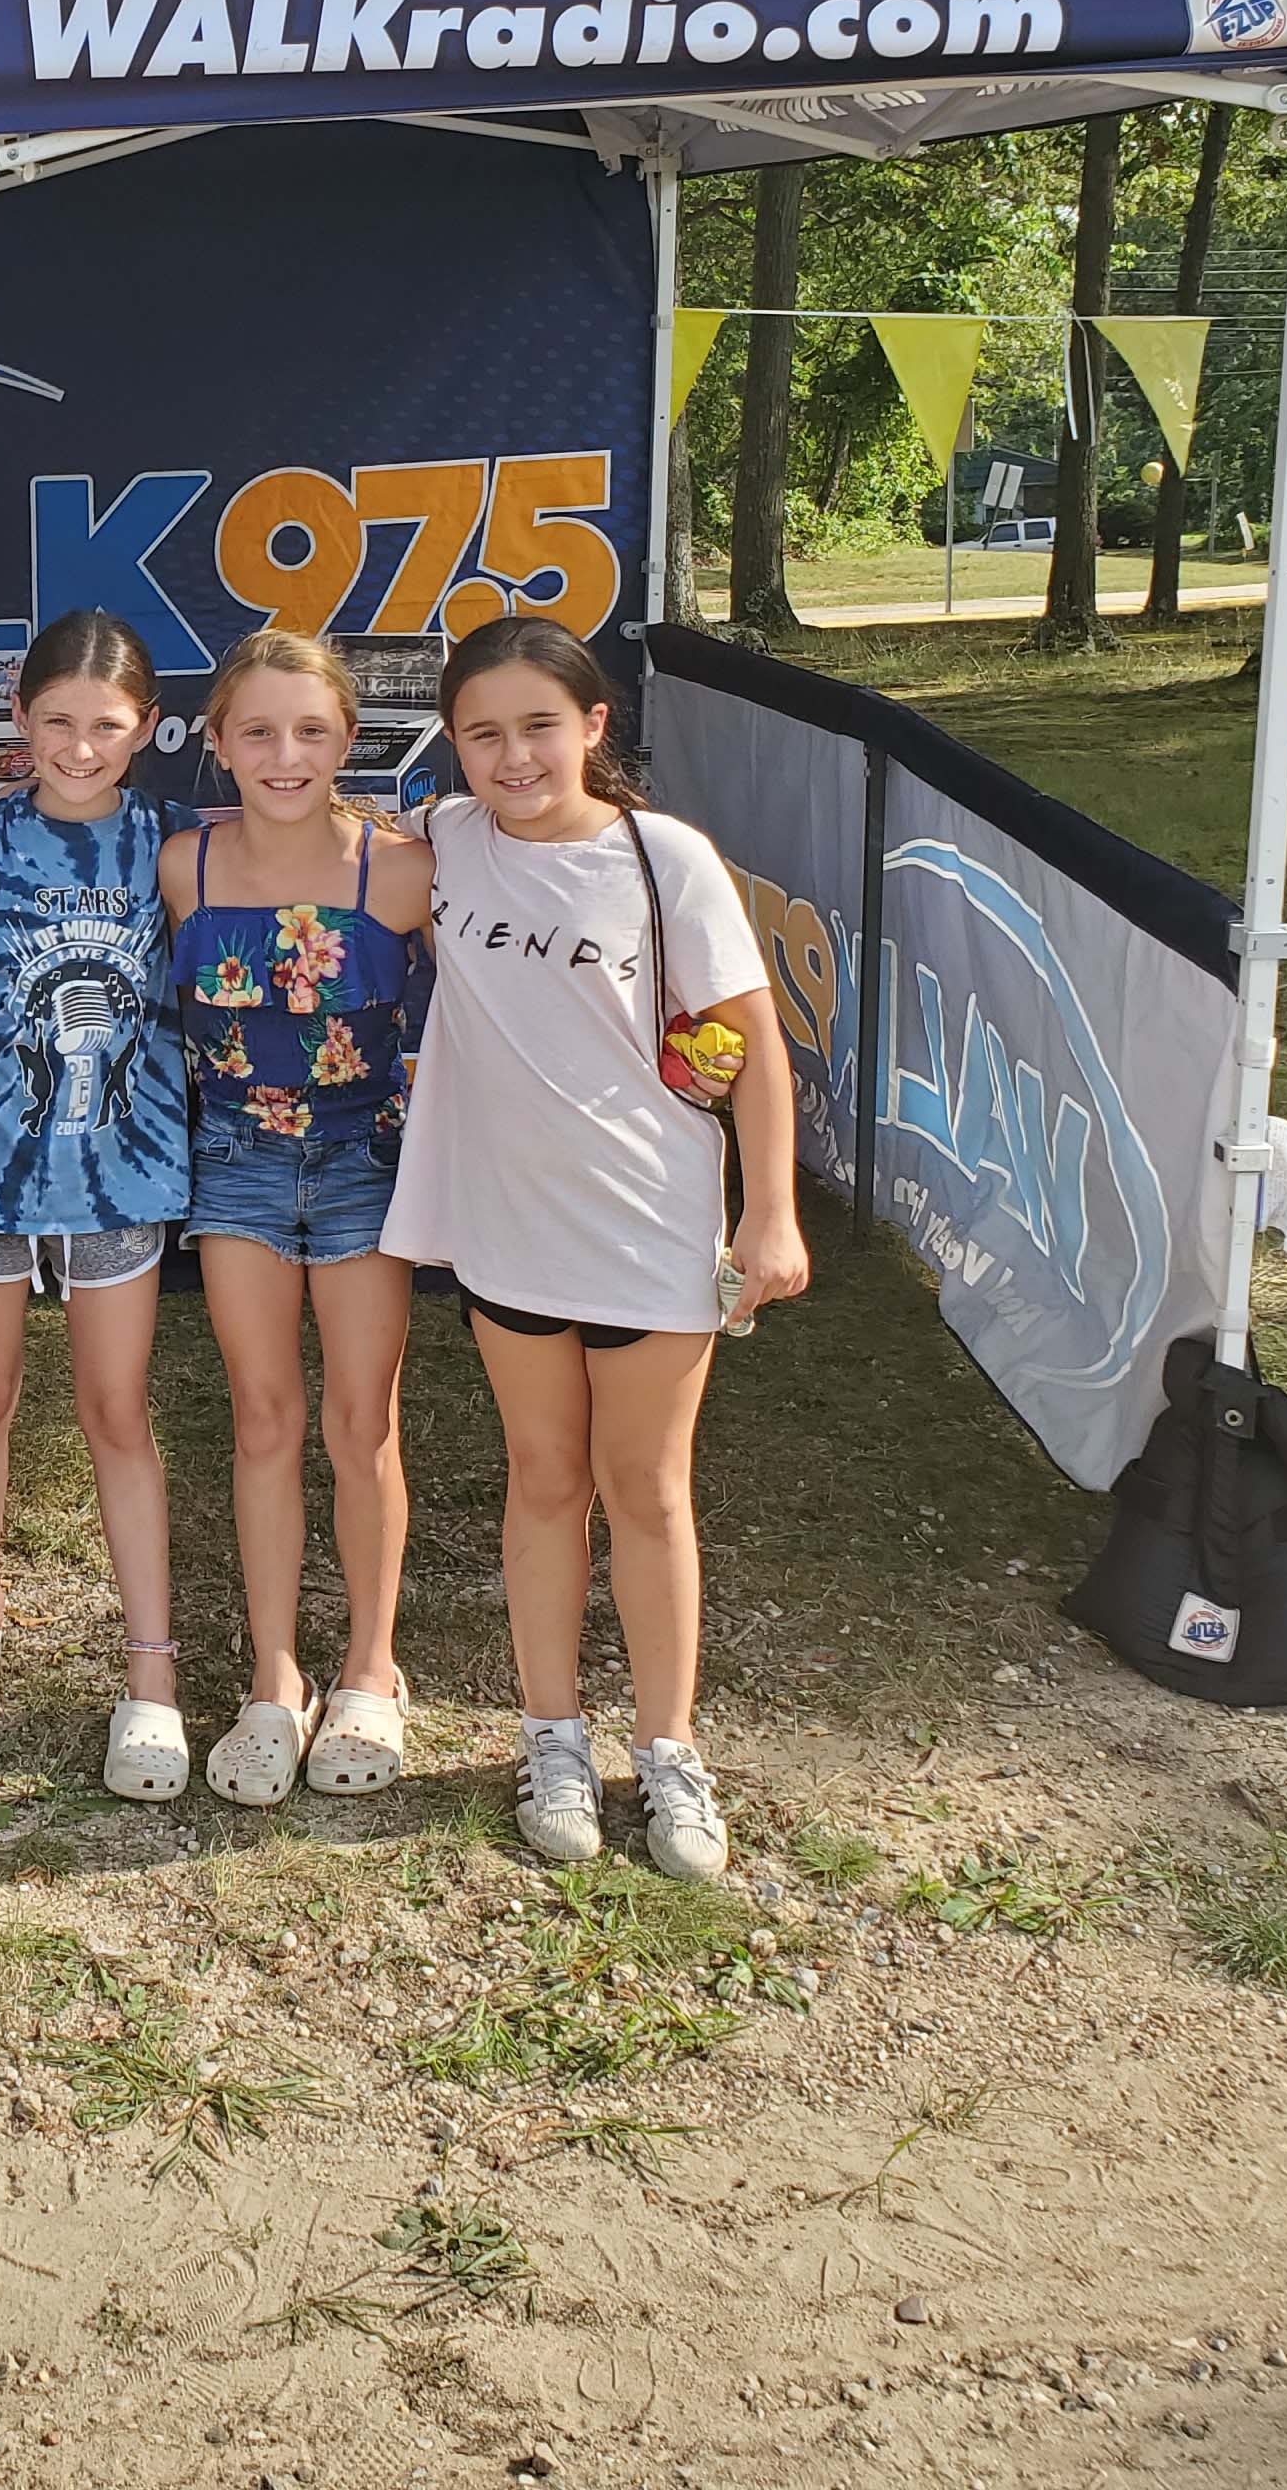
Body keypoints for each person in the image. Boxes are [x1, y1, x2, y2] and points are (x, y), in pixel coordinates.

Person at [385, 616, 808, 1883]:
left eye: (538, 726)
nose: (513, 757)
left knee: (650, 1491)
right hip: (510, 1237)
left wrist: (770, 1214)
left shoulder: (663, 859)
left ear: (594, 727)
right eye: (483, 734)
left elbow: (758, 1050)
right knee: (543, 1481)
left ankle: (669, 1751)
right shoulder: (446, 842)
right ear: (452, 748)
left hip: (651, 1232)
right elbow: (320, 858)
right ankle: (552, 1737)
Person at [161, 629, 432, 1810]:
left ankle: (371, 1664)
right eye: (257, 731)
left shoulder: (406, 870)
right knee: (264, 1419)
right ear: (216, 742)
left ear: (348, 741)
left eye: (310, 731)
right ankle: (276, 1677)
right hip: (235, 1163)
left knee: (360, 1421)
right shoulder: (184, 868)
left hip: (370, 1162)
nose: (284, 754)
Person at [0, 609, 193, 1800]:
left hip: (117, 1169)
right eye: (55, 722)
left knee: (114, 1410)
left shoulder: (171, 849)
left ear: (144, 728)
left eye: (105, 725)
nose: (79, 747)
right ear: (19, 722)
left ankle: (152, 1677)